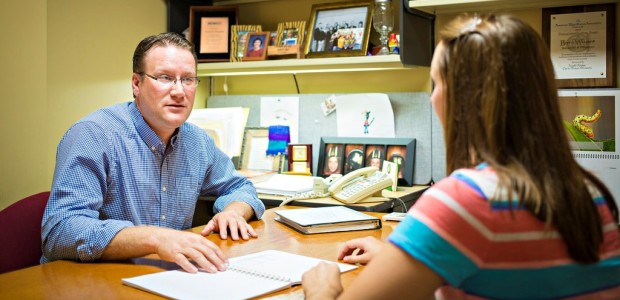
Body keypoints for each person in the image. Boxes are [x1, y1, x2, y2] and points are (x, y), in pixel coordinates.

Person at [302, 14, 620, 299]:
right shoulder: (590, 195)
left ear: (463, 99)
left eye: (437, 83)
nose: (431, 98)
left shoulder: (464, 199)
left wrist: (323, 290)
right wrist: (409, 255)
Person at [41, 32, 265, 274]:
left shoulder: (197, 141)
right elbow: (61, 231)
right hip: (92, 281)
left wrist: (233, 212)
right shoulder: (94, 136)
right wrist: (156, 239)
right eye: (165, 78)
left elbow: (239, 188)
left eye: (188, 79)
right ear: (136, 84)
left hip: (168, 278)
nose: (179, 92)